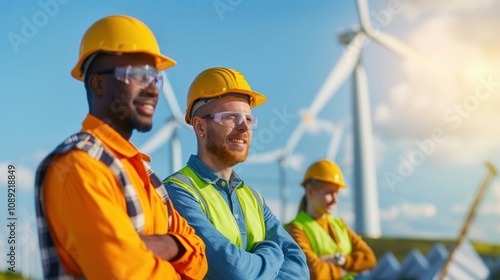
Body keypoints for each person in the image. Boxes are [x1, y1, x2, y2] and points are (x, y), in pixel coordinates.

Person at [35, 15, 208, 279]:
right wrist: (176, 254)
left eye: (156, 78)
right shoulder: (79, 167)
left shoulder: (144, 173)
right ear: (98, 84)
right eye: (138, 75)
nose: (153, 89)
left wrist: (166, 245)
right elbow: (125, 274)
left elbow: (201, 255)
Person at [163, 67, 309, 279]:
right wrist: (272, 250)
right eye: (231, 117)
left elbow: (299, 266)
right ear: (200, 126)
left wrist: (255, 266)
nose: (244, 127)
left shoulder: (254, 198)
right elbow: (234, 271)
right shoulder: (177, 193)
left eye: (249, 119)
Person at [285, 159, 376, 279]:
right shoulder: (295, 229)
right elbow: (313, 272)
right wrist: (346, 269)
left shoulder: (339, 224)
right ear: (310, 191)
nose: (335, 200)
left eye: (337, 193)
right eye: (329, 193)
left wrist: (341, 260)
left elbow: (369, 259)